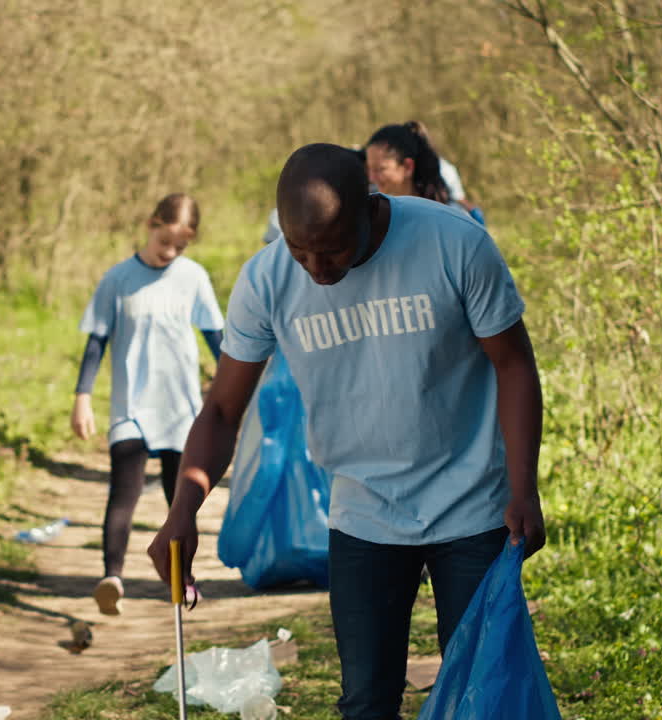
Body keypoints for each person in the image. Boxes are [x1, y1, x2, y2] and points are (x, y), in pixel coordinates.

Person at [148, 144, 546, 720]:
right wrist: (183, 508)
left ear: (370, 206)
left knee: (480, 692)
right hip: (363, 514)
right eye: (298, 249)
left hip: (472, 506)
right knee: (365, 701)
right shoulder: (266, 279)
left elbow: (514, 365)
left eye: (331, 251)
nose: (316, 269)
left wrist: (522, 487)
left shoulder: (453, 243)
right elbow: (221, 412)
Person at [71, 193, 224, 616]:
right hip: (132, 407)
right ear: (151, 224)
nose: (170, 253)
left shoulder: (192, 277)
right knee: (124, 495)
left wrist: (238, 392)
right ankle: (112, 579)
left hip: (180, 410)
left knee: (182, 503)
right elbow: (95, 344)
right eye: (165, 242)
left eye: (180, 246)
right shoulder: (117, 279)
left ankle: (181, 581)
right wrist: (82, 399)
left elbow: (218, 340)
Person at [364, 120, 486, 225]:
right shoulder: (376, 217)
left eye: (380, 169)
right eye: (369, 169)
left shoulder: (450, 221)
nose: (371, 177)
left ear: (407, 167)